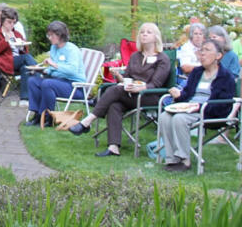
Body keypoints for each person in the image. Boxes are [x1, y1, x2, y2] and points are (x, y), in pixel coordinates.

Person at [70, 22, 170, 157]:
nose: (144, 34)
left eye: (149, 32)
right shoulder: (135, 56)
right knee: (114, 105)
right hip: (130, 94)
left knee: (115, 90)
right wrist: (118, 76)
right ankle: (113, 147)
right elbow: (127, 78)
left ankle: (87, 121)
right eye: (142, 32)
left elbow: (156, 84)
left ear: (156, 37)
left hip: (149, 96)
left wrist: (139, 88)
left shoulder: (162, 58)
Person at [156, 40, 236, 172]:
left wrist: (199, 106)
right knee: (165, 116)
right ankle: (171, 159)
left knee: (179, 119)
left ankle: (184, 160)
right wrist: (179, 95)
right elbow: (187, 94)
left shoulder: (226, 76)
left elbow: (223, 104)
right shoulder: (197, 72)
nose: (202, 53)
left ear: (218, 56)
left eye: (207, 50)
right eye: (201, 50)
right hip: (189, 108)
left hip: (210, 112)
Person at [26, 21, 86, 122]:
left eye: (51, 35)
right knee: (33, 81)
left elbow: (72, 70)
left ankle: (47, 117)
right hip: (59, 81)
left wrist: (53, 64)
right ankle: (37, 115)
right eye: (48, 35)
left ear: (60, 35)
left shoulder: (71, 50)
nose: (49, 38)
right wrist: (44, 71)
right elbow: (54, 70)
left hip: (75, 86)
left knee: (47, 83)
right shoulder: (54, 48)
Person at [0, 7, 36, 107]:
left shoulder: (17, 34)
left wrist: (22, 47)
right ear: (2, 21)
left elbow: (24, 51)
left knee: (25, 67)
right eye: (9, 22)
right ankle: (41, 73)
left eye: (13, 22)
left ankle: (24, 99)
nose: (11, 25)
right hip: (4, 62)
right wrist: (5, 41)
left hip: (17, 61)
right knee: (26, 58)